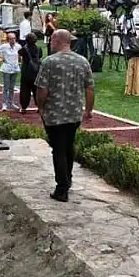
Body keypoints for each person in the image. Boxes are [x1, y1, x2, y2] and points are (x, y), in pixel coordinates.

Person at [35, 30, 95, 203]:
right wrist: (89, 110)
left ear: (56, 40)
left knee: (58, 149)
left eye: (51, 40)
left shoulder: (49, 62)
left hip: (54, 114)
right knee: (68, 146)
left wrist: (40, 106)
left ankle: (62, 188)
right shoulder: (82, 61)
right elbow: (90, 88)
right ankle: (67, 180)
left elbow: (42, 90)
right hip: (74, 113)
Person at [0, 32, 21, 112]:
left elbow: (21, 54)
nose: (13, 40)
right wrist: (2, 58)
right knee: (6, 87)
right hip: (6, 69)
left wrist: (19, 60)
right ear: (8, 40)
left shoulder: (18, 46)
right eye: (12, 39)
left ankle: (11, 102)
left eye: (14, 38)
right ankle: (4, 104)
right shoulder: (4, 46)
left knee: (12, 87)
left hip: (15, 68)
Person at [19, 32, 42, 113]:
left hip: (26, 73)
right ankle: (39, 106)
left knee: (25, 90)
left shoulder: (24, 49)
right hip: (36, 73)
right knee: (37, 91)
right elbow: (40, 57)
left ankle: (24, 107)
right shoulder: (39, 49)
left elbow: (19, 52)